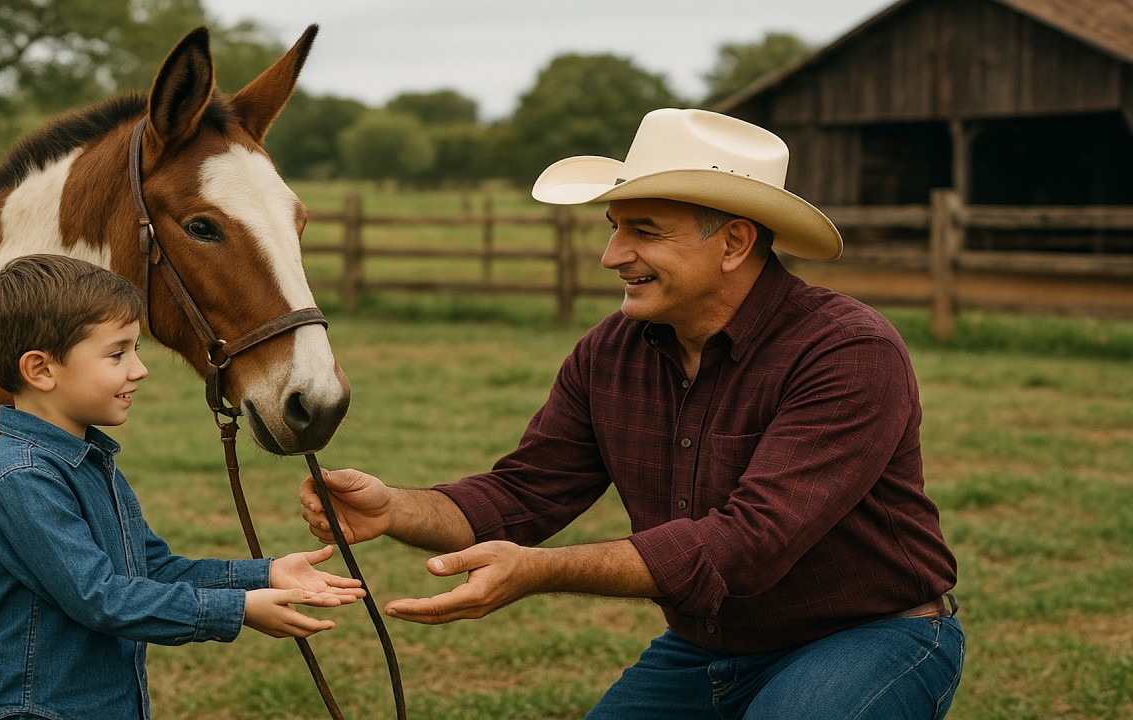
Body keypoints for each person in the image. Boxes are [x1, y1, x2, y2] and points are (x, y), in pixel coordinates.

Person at [299, 109, 964, 718]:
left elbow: (747, 545)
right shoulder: (611, 351)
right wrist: (393, 509)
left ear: (734, 243)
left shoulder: (847, 350)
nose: (612, 256)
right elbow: (524, 493)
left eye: (644, 231)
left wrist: (542, 570)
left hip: (873, 633)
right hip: (707, 647)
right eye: (614, 227)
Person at [0, 254, 364, 720]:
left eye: (135, 349)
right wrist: (237, 610)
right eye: (117, 353)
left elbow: (150, 569)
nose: (139, 368)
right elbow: (101, 598)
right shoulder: (22, 479)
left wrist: (264, 575)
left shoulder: (89, 459)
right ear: (41, 370)